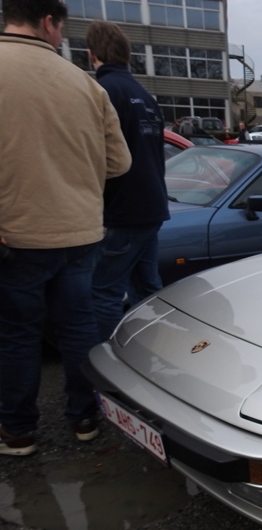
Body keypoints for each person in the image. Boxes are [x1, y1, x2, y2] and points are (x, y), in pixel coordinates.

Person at [0, 0, 131, 457]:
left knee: (18, 334)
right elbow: (119, 162)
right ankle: (84, 417)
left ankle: (18, 430)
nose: (61, 39)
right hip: (80, 232)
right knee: (78, 327)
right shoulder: (85, 84)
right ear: (47, 22)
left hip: (18, 232)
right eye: (61, 30)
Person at [86, 21, 170, 343]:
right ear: (128, 56)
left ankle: (107, 361)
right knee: (148, 289)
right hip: (152, 207)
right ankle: (155, 349)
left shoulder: (102, 92)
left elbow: (96, 156)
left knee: (103, 291)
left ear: (92, 54)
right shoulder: (145, 96)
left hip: (121, 211)